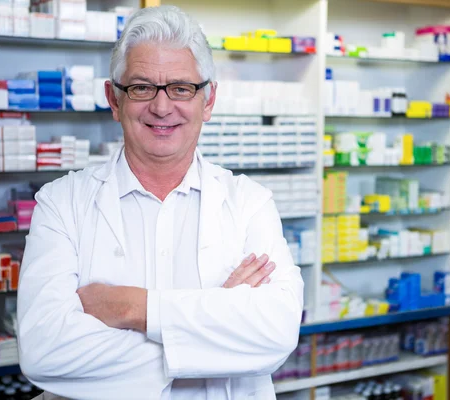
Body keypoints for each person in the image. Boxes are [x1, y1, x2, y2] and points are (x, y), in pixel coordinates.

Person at [16, 5, 304, 400]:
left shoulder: (249, 203)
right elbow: (44, 352)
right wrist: (217, 324)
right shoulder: (61, 204)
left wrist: (133, 308)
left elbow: (276, 334)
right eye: (141, 87)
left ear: (208, 100)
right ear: (114, 99)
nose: (162, 106)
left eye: (182, 88)